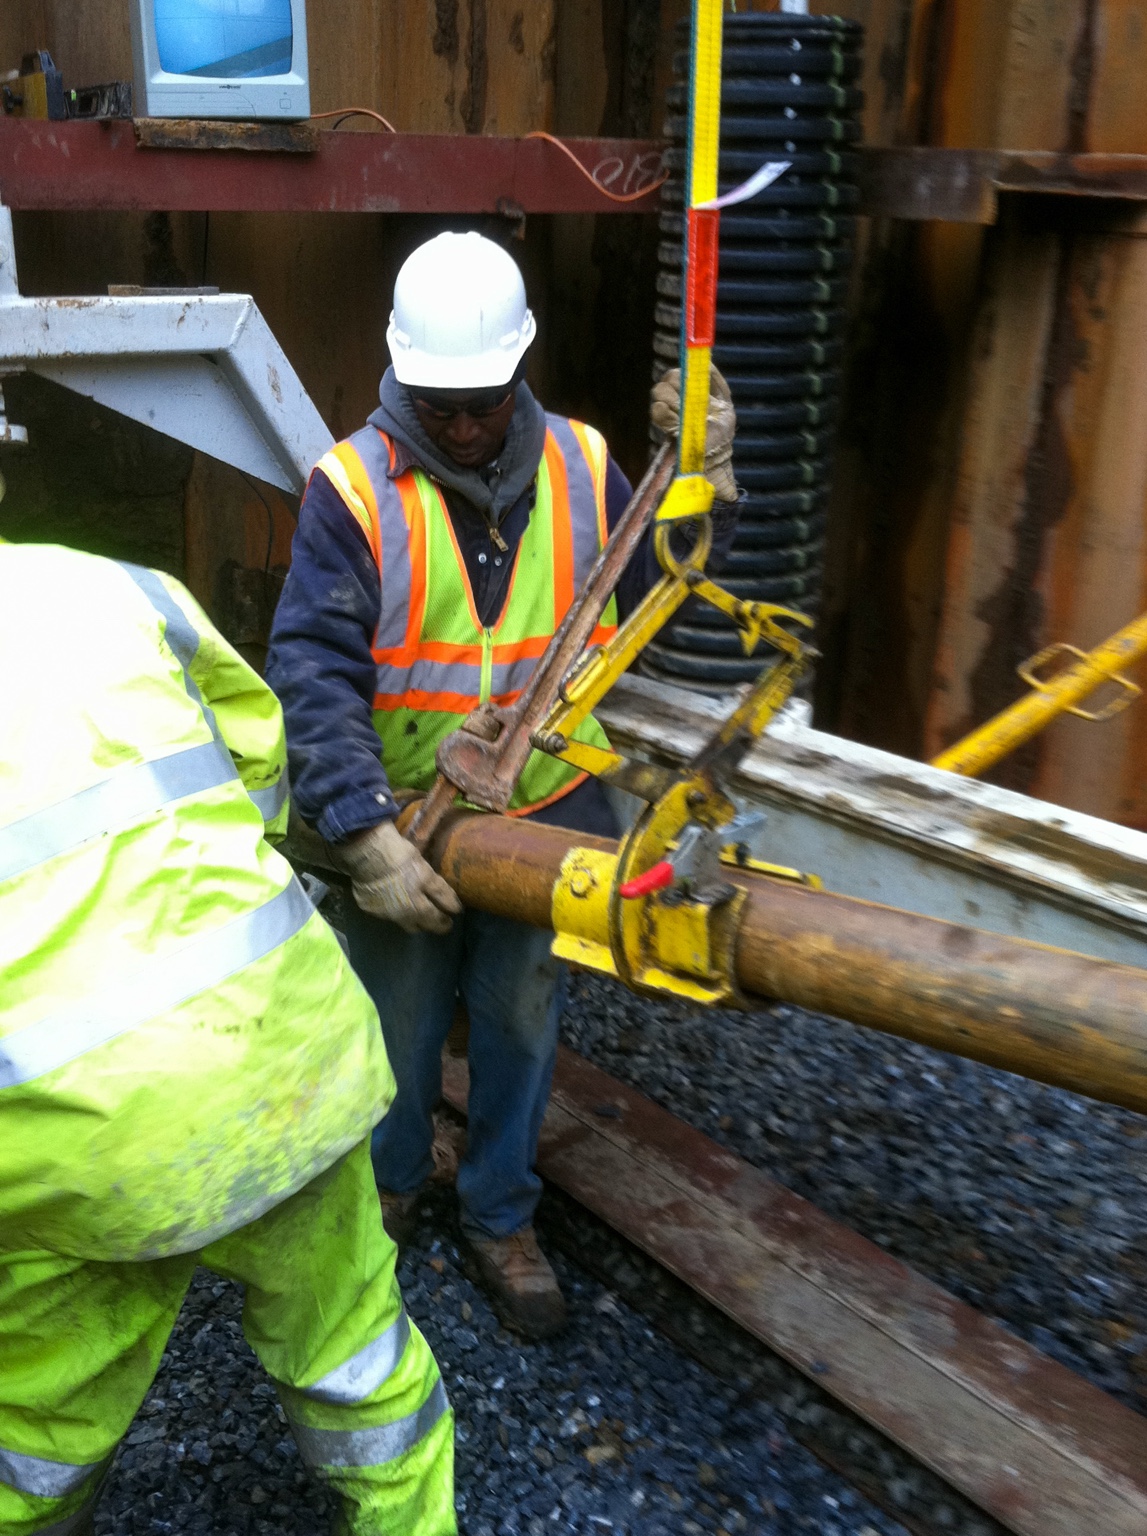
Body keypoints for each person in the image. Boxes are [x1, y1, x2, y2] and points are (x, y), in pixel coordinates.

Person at [266, 230, 738, 1341]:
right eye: (443, 406)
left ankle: (498, 1213)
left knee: (522, 1019)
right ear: (400, 377)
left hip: (542, 811)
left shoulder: (582, 464)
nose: (467, 426)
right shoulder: (350, 490)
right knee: (396, 1017)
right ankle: (386, 1188)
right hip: (406, 818)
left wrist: (706, 481)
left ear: (520, 372)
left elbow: (663, 579)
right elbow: (313, 671)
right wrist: (361, 832)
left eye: (485, 401)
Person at [0, 540, 454, 1536]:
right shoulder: (115, 588)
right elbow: (256, 761)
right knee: (358, 1357)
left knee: (36, 1425)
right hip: (279, 1052)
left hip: (62, 1134)